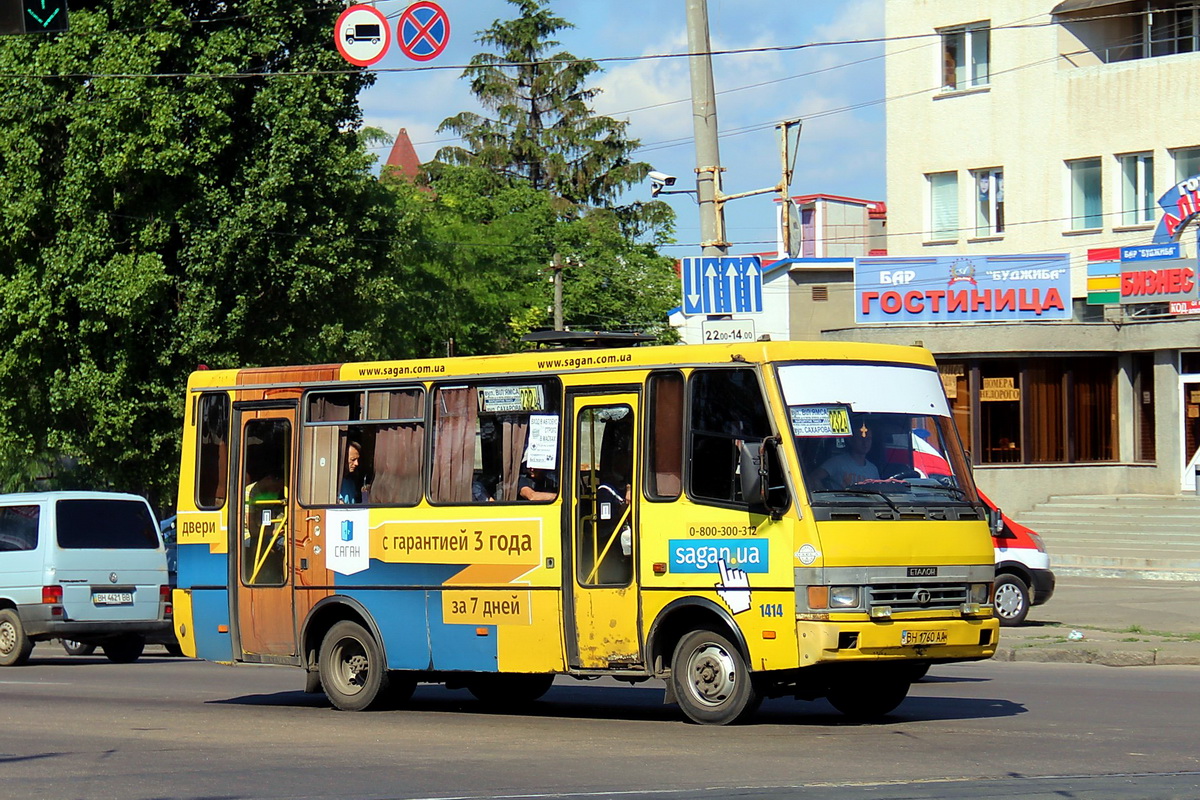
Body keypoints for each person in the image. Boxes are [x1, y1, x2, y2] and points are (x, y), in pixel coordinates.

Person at [815, 422, 879, 490]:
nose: (865, 443)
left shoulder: (873, 469)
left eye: (868, 439)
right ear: (851, 440)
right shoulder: (836, 462)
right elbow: (812, 479)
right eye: (860, 438)